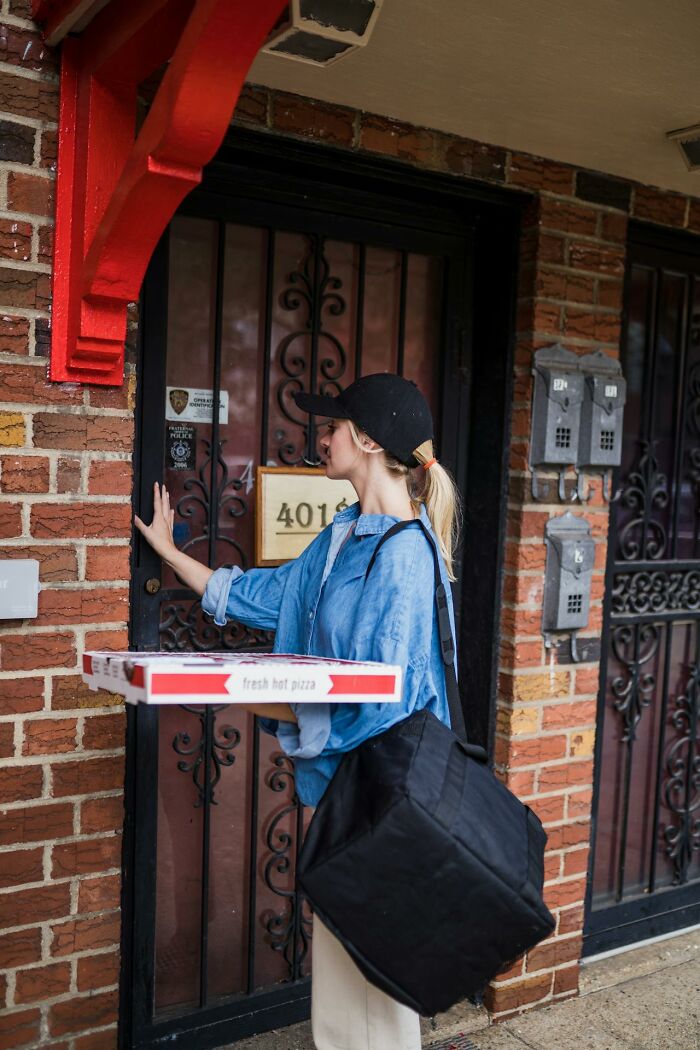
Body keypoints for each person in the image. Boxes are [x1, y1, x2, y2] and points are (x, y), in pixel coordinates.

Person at [134, 372, 461, 1050]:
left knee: (376, 987)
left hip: (380, 797)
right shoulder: (344, 537)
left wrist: (311, 754)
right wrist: (170, 555)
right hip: (345, 788)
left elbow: (388, 700)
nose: (323, 435)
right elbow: (263, 596)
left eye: (335, 425)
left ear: (368, 441)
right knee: (344, 979)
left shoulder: (404, 552)